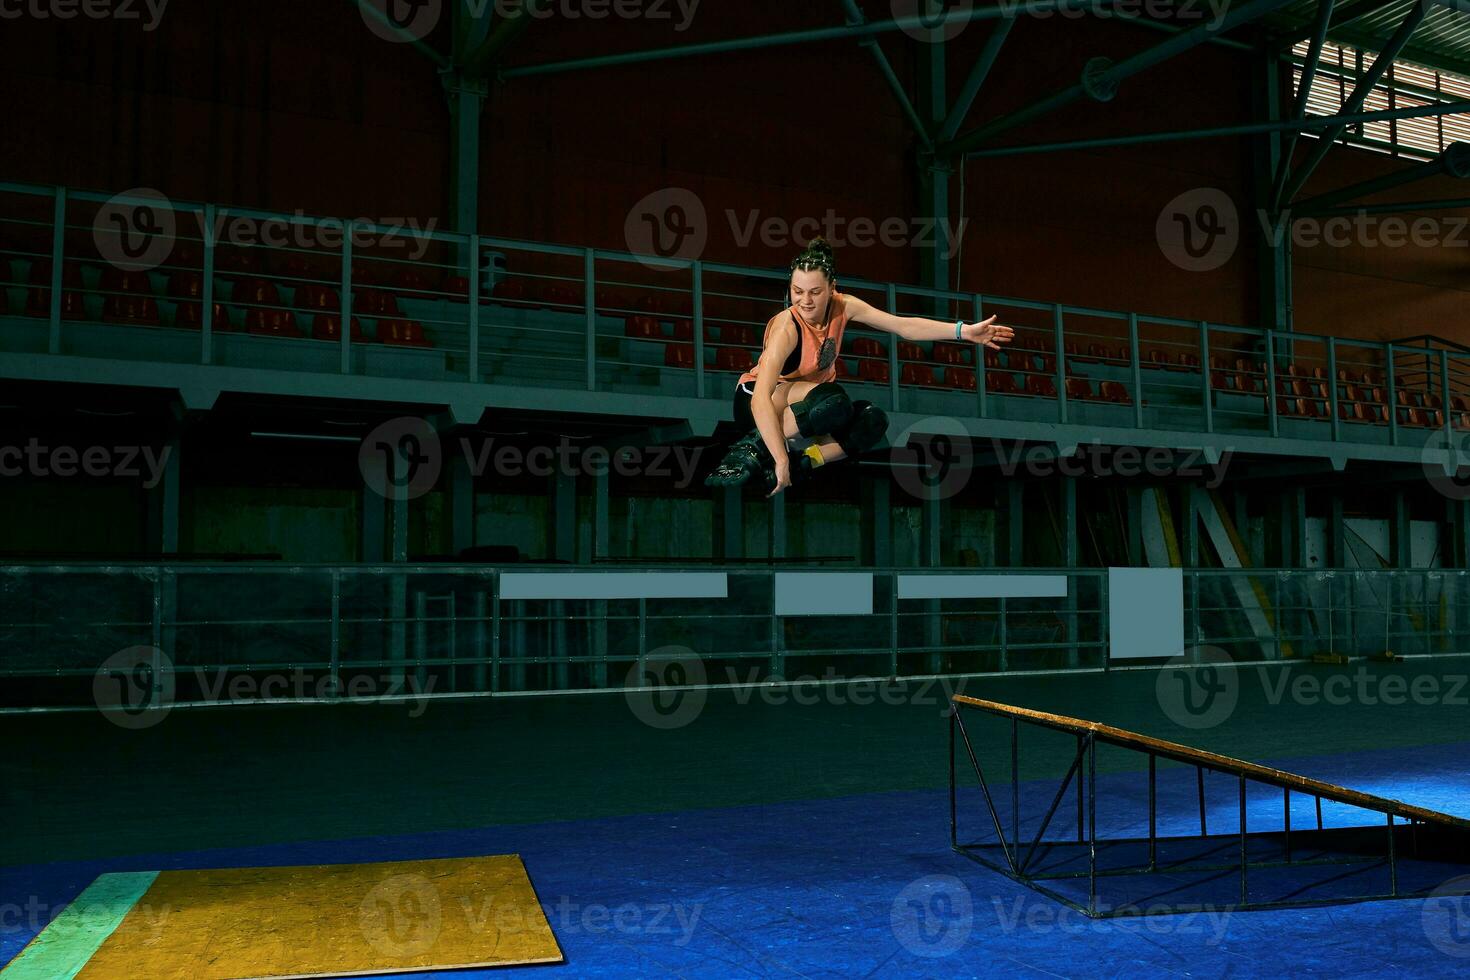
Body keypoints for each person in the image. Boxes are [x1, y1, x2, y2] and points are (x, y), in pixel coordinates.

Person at [705, 237, 1015, 495]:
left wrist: (963, 331)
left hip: (808, 407)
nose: (805, 302)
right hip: (757, 404)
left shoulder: (845, 306)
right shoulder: (787, 328)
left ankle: (807, 462)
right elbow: (760, 397)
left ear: (832, 289)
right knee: (831, 400)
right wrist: (778, 458)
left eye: (815, 292)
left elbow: (903, 326)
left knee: (870, 421)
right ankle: (752, 448)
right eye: (797, 292)